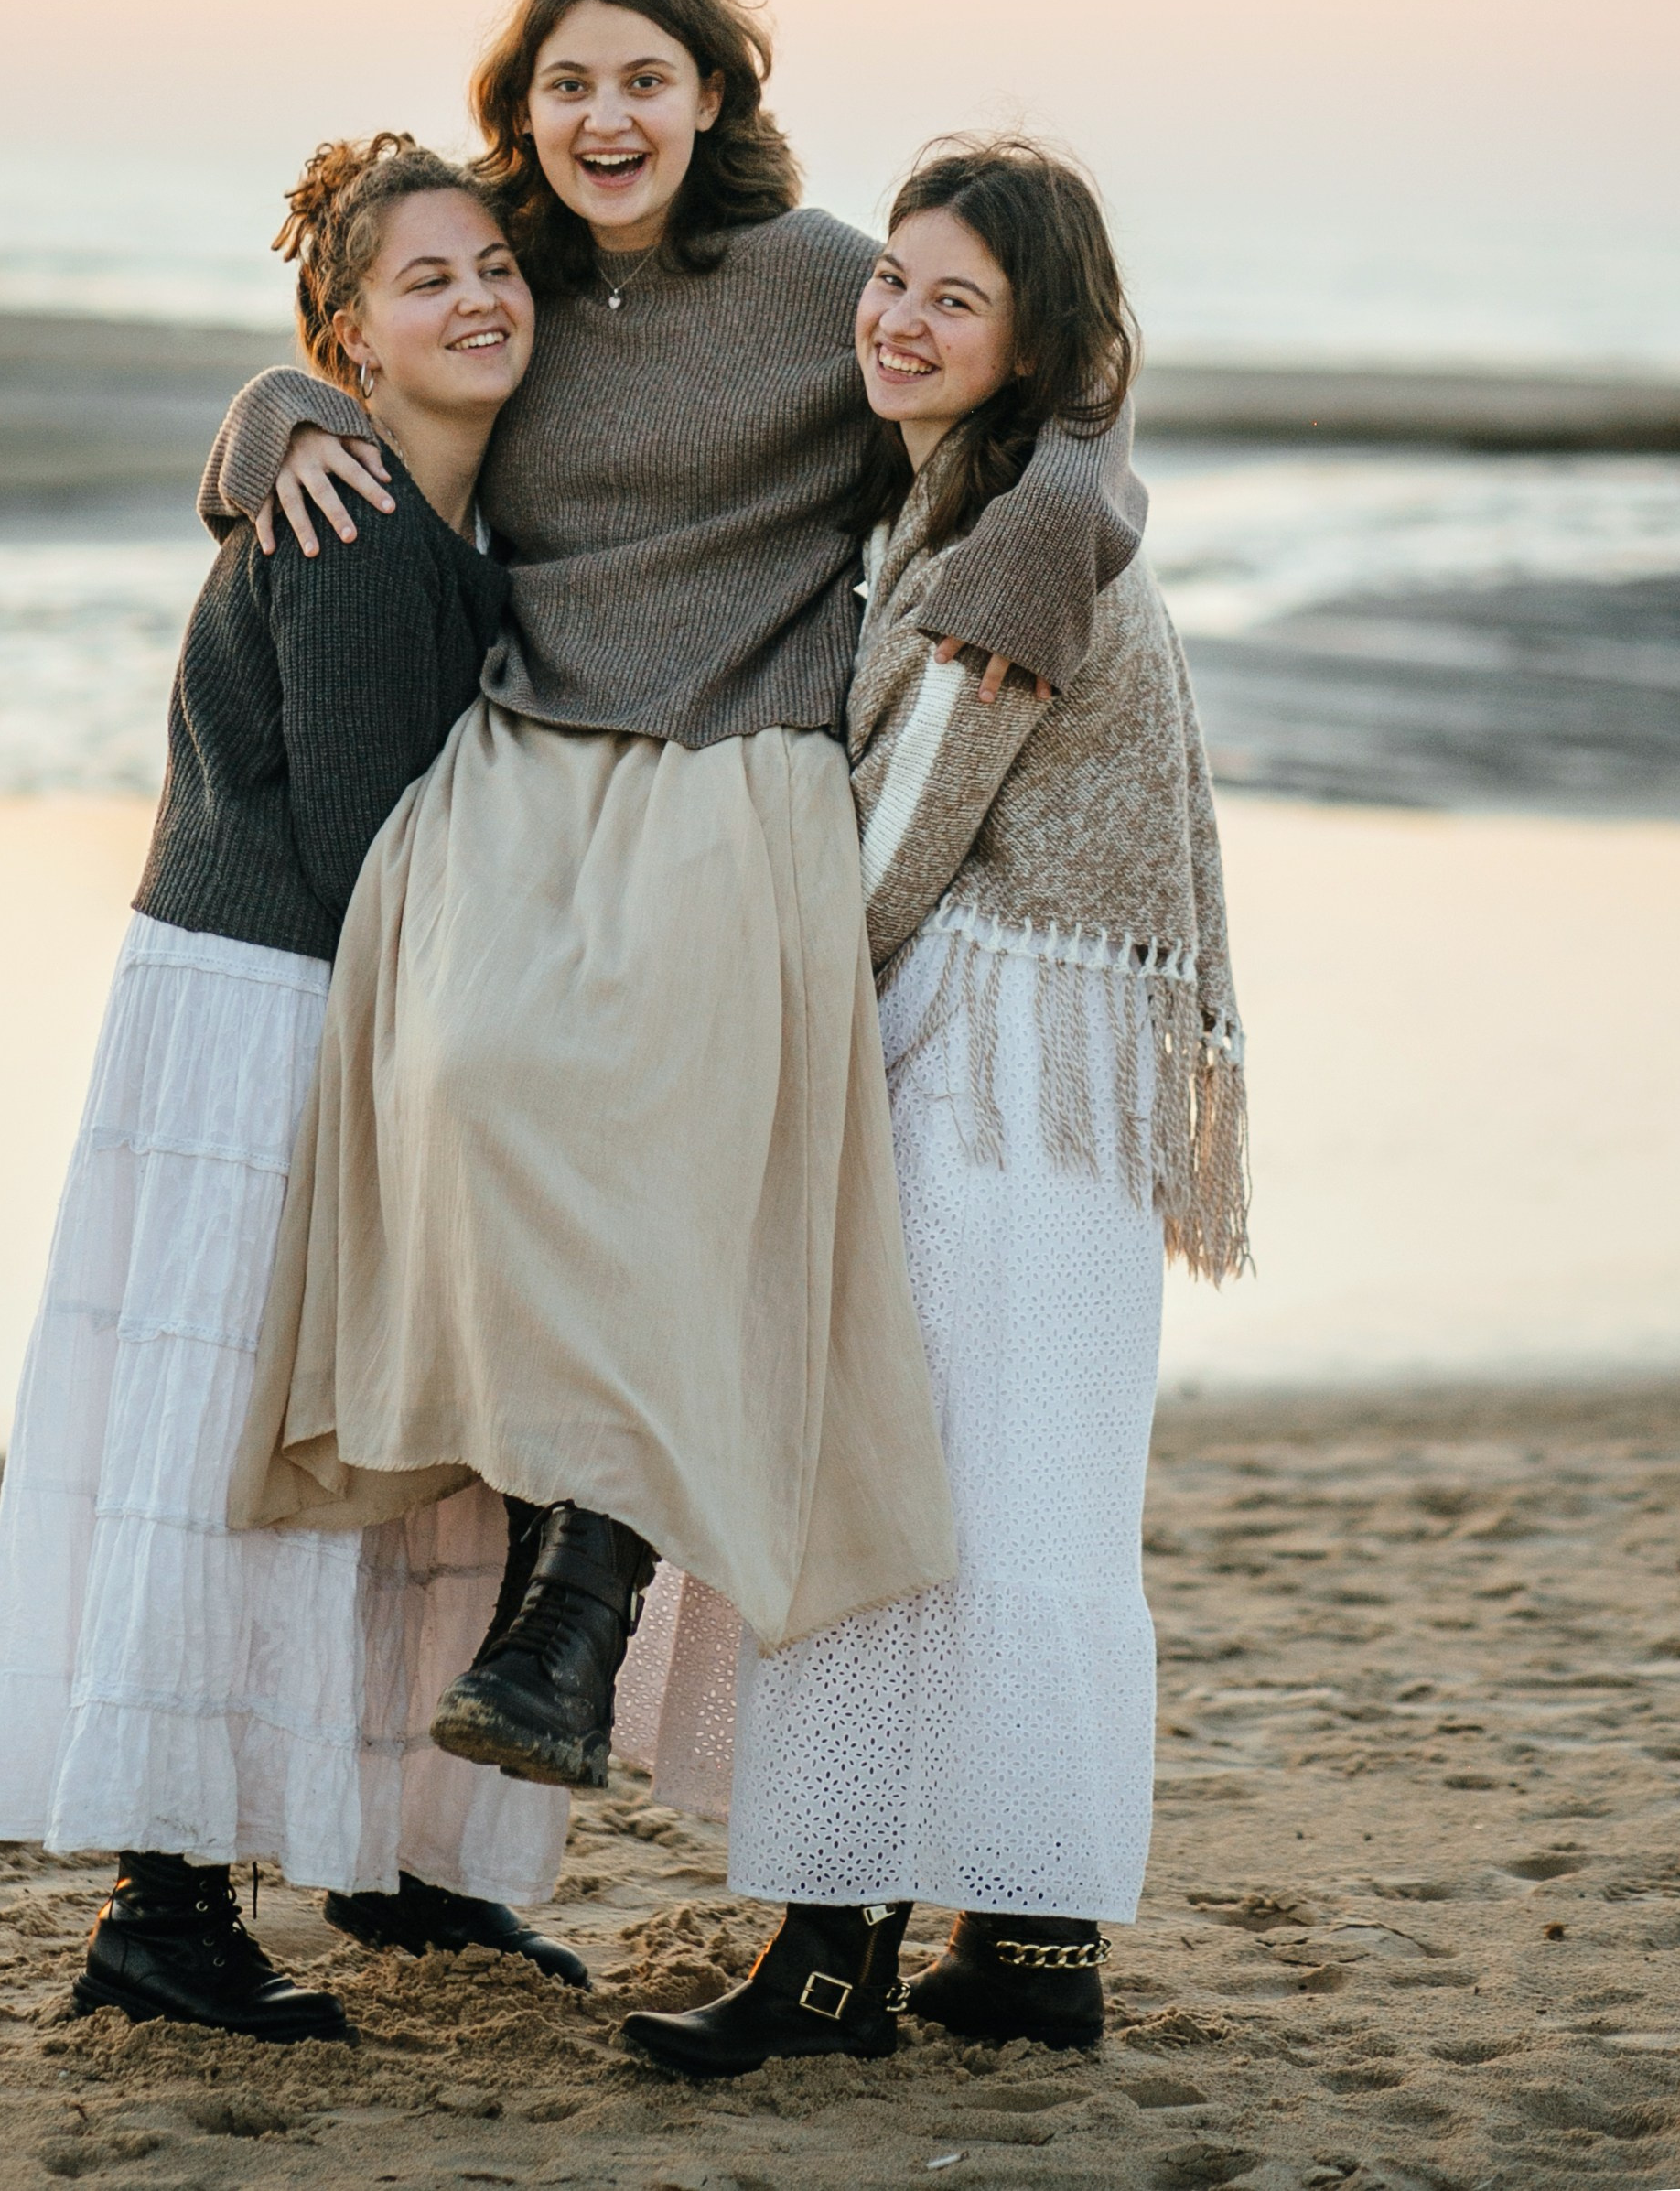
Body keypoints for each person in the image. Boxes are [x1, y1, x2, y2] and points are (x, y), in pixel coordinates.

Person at [196, 0, 1149, 1843]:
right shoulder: (513, 283)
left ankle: (580, 1588)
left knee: (675, 1100)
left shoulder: (815, 279)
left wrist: (1065, 515)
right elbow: (368, 370)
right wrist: (257, 415)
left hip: (744, 760)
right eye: (564, 85)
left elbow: (1054, 400)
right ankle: (539, 1536)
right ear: (521, 110)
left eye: (640, 77)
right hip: (527, 747)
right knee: (461, 1067)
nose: (602, 117)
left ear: (709, 90)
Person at [0, 136, 586, 2040]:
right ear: (347, 338)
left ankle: (393, 1861)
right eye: (425, 280)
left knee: (366, 1445)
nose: (477, 299)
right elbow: (384, 858)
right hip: (280, 1011)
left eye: (495, 269)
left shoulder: (410, 505)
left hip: (285, 996)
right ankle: (165, 1907)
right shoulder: (362, 529)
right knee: (251, 1448)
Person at [621, 137, 1250, 2080]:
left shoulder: (1014, 538)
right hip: (1061, 1080)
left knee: (890, 1490)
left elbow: (901, 843)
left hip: (990, 1071)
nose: (893, 316)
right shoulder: (1043, 488)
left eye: (947, 294)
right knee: (1019, 1501)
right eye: (888, 278)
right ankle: (1031, 1936)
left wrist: (756, 1009)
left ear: (1033, 330)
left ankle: (829, 1963)